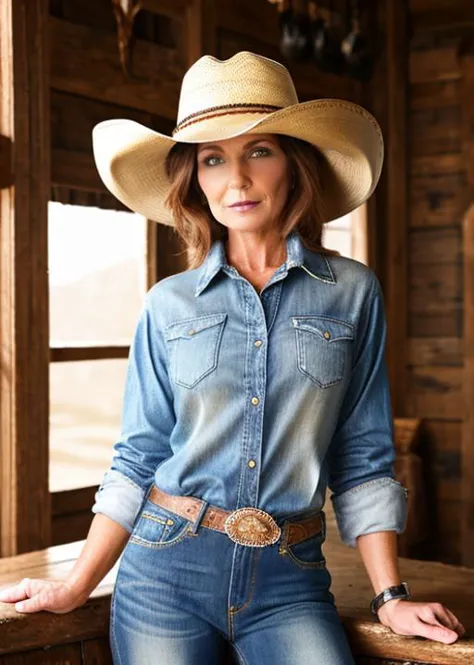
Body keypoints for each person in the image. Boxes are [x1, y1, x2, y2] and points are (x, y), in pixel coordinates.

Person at [0, 51, 465, 664]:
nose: (236, 179)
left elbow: (365, 455)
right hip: (165, 571)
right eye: (213, 158)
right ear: (194, 177)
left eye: (259, 151)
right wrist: (75, 585)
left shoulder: (353, 292)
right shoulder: (167, 305)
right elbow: (138, 457)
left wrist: (391, 596)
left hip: (290, 577)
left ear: (294, 165)